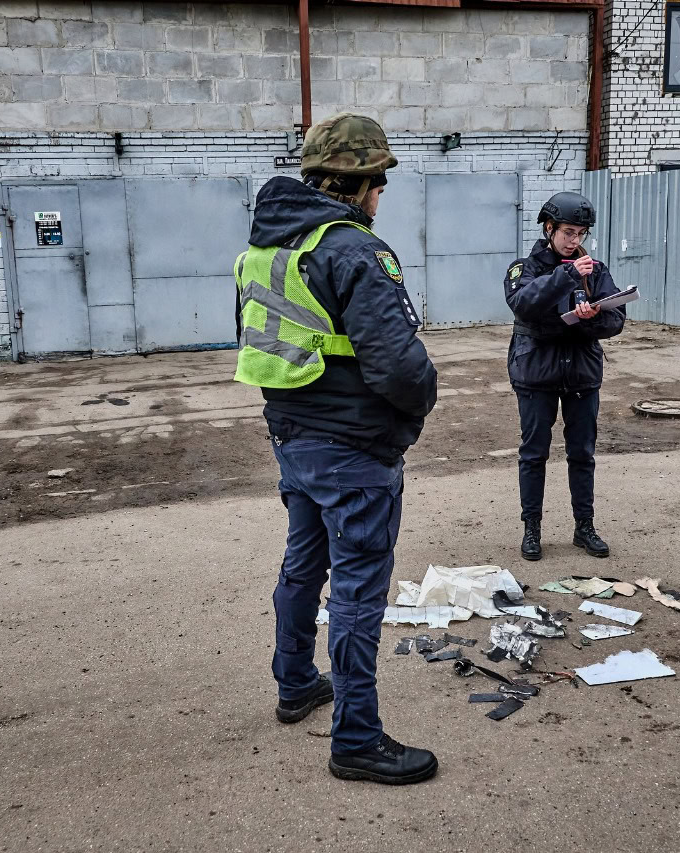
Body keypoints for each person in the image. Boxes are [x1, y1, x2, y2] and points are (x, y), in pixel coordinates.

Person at [234, 113, 440, 785]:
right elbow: (402, 369)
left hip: (292, 437)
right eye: (379, 183)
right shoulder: (352, 249)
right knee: (356, 590)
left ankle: (295, 682)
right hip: (354, 447)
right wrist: (414, 411)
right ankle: (355, 737)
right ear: (363, 182)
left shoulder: (267, 246)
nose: (381, 197)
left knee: (303, 565)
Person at [504, 192, 625, 562]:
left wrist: (593, 317)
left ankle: (584, 526)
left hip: (582, 373)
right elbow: (524, 304)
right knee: (534, 454)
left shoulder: (596, 269)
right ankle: (532, 528)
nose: (575, 242)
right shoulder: (524, 267)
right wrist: (567, 275)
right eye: (569, 233)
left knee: (582, 454)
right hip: (536, 372)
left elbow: (616, 319)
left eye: (581, 234)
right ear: (549, 228)